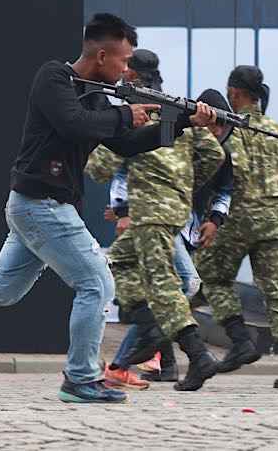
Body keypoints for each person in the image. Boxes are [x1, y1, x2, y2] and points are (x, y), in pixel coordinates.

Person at [0, 13, 216, 403]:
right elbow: (74, 123)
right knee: (97, 283)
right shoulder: (54, 78)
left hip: (36, 206)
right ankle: (81, 378)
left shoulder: (98, 97)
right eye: (123, 60)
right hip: (43, 205)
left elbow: (126, 145)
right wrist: (123, 114)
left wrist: (184, 122)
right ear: (102, 55)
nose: (127, 70)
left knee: (1, 289)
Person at [85, 86, 226, 392]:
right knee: (117, 260)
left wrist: (110, 133)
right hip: (174, 213)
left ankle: (195, 352)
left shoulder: (132, 120)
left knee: (162, 284)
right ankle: (148, 320)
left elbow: (96, 169)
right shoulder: (179, 118)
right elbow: (215, 153)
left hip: (148, 213)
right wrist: (183, 184)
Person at [195, 65, 278, 389]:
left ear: (234, 93)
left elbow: (214, 170)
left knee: (212, 278)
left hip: (236, 219)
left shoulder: (230, 128)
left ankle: (240, 341)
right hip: (275, 221)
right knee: (276, 292)